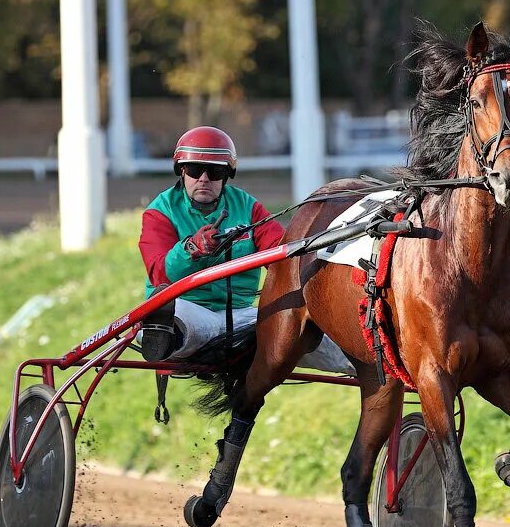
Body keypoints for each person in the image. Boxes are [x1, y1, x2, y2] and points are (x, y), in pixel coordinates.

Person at [138, 126, 352, 383]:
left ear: (227, 175)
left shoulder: (249, 208)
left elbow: (283, 254)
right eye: (195, 170)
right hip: (188, 307)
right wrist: (191, 249)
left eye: (215, 172)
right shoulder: (159, 212)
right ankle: (164, 333)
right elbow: (161, 272)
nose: (204, 178)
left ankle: (375, 363)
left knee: (300, 327)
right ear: (182, 172)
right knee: (182, 322)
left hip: (240, 314)